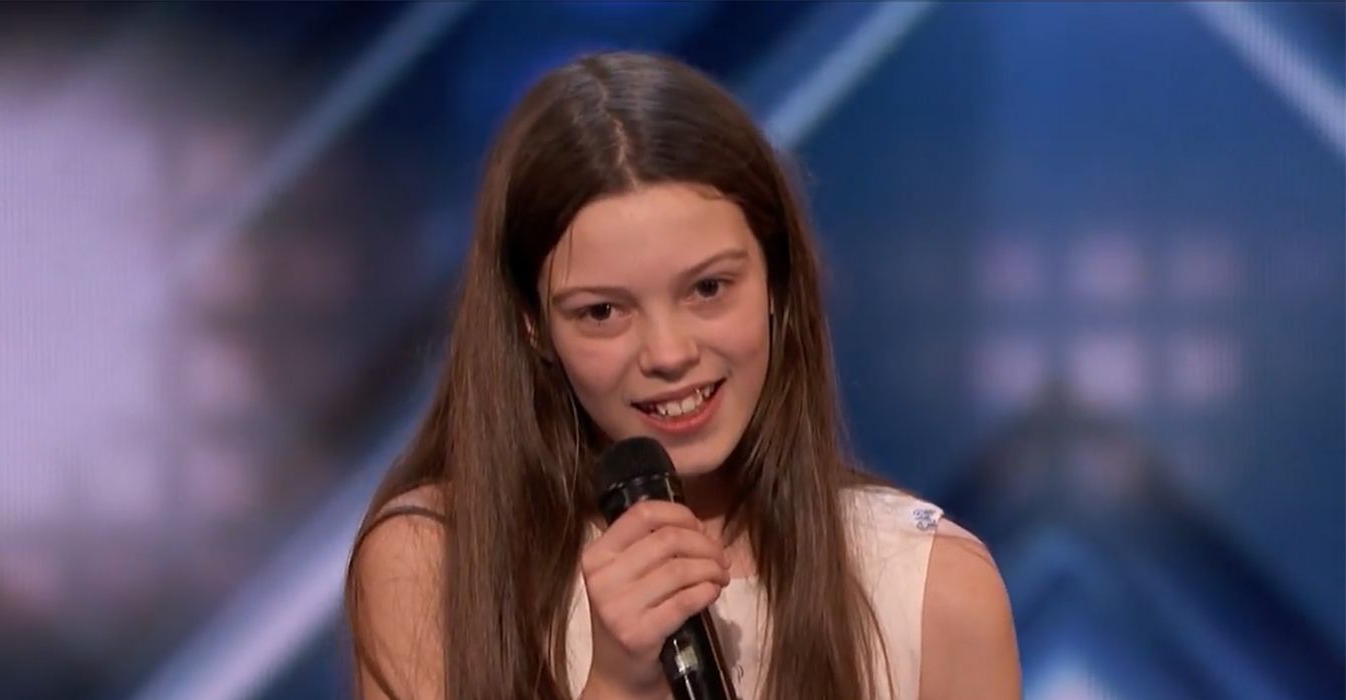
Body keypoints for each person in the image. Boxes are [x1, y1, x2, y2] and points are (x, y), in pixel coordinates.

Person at [345, 51, 1020, 700]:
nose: (667, 353)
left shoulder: (933, 590)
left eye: (708, 288)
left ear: (776, 281)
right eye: (603, 311)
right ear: (533, 325)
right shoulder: (435, 565)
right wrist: (618, 687)